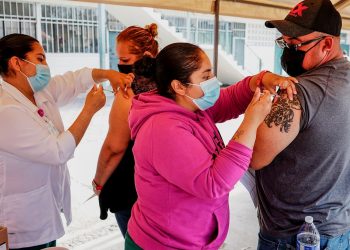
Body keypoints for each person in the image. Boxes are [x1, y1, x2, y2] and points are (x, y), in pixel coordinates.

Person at [125, 42, 297, 249]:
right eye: (205, 77)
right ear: (178, 86)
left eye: (212, 75)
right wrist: (251, 122)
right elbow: (213, 183)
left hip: (192, 238)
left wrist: (261, 80)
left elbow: (229, 99)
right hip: (166, 243)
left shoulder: (190, 105)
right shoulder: (162, 129)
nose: (214, 83)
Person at [0, 33, 132, 250]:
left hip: (43, 210)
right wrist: (89, 110)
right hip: (22, 223)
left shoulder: (37, 92)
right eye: (40, 59)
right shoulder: (6, 110)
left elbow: (74, 80)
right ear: (16, 63)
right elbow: (57, 152)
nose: (46, 66)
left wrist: (107, 74)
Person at [250, 0, 350, 249]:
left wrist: (255, 112)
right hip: (338, 227)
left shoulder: (297, 92)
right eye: (284, 43)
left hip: (294, 236)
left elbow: (253, 156)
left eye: (295, 45)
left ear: (327, 44)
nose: (287, 52)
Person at [93, 23, 158, 238]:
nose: (120, 65)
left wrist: (98, 181)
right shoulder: (172, 86)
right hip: (163, 187)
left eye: (125, 60)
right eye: (118, 59)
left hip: (131, 188)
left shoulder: (128, 95)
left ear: (147, 55)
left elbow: (114, 147)